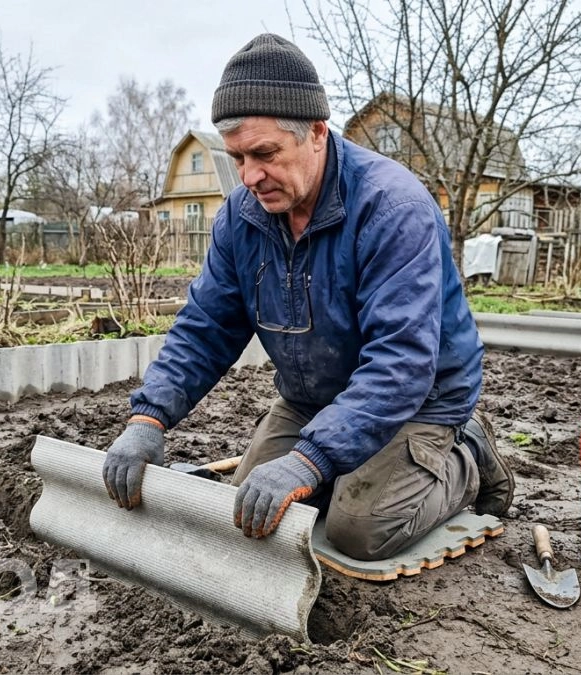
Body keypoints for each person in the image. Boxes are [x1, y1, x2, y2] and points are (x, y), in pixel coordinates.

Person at [101, 33, 513, 561]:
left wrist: (309, 460)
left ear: (317, 132)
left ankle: (466, 454)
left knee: (359, 530)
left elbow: (403, 361)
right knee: (246, 513)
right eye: (237, 157)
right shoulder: (242, 217)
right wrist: (148, 419)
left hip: (418, 399)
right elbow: (206, 327)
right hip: (312, 397)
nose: (249, 176)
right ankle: (343, 456)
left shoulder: (392, 209)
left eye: (265, 153)